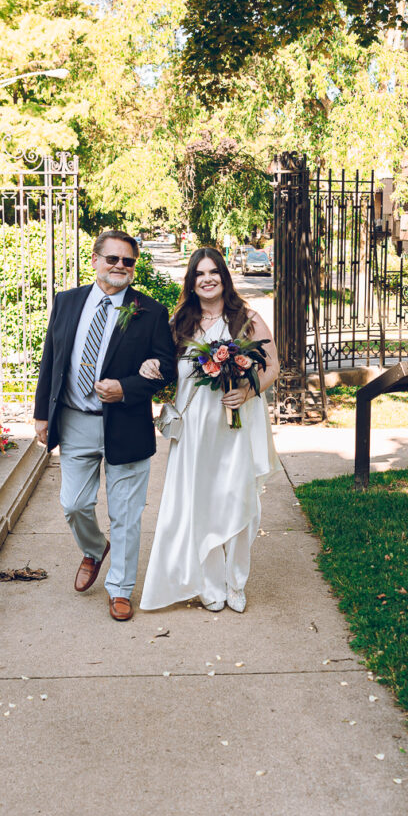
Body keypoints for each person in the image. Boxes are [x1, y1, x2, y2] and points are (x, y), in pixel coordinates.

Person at [34, 230, 177, 622]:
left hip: (126, 425)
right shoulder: (67, 302)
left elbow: (167, 368)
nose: (120, 266)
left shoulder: (150, 312)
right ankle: (95, 549)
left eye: (127, 261)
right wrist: (42, 413)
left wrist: (126, 388)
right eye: (112, 258)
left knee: (126, 515)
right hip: (75, 420)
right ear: (95, 259)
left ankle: (120, 589)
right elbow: (51, 359)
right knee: (74, 504)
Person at [138, 247, 279, 613]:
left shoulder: (246, 318)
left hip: (235, 426)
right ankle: (210, 584)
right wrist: (151, 364)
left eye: (213, 272)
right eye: (199, 274)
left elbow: (272, 366)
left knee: (236, 500)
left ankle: (236, 582)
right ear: (191, 281)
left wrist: (247, 392)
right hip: (196, 431)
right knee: (200, 503)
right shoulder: (180, 322)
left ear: (224, 276)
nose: (207, 279)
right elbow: (165, 366)